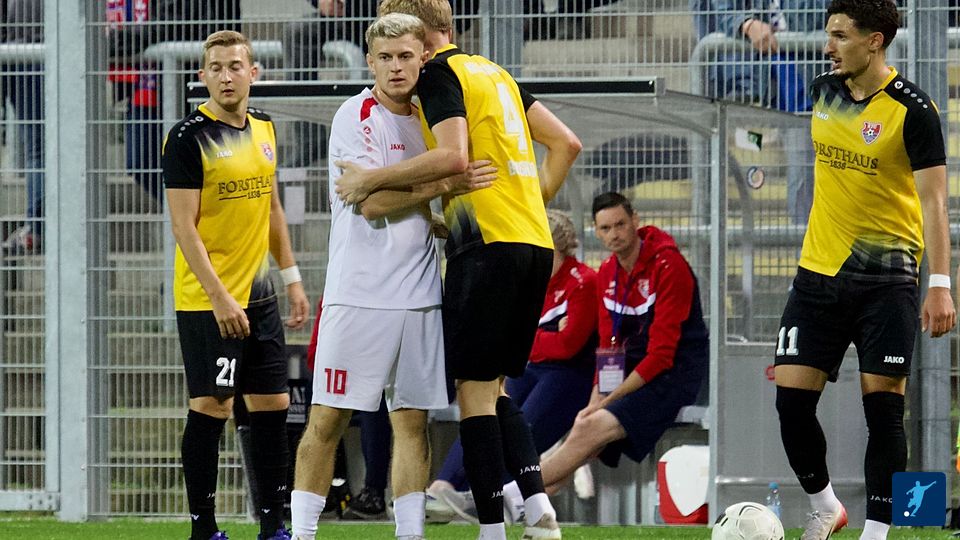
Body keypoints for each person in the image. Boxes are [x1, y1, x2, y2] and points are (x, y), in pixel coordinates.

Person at [337, 2, 582, 538]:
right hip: (533, 243)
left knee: (474, 394)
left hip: (486, 243)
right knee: (494, 389)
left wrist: (370, 179)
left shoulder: (439, 73)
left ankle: (492, 529)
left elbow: (453, 158)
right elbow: (567, 143)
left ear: (420, 36)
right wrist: (527, 202)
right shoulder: (494, 72)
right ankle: (539, 510)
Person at [288, 13, 494, 540]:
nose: (396, 67)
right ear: (369, 61)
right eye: (385, 57)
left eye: (405, 56)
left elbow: (402, 196)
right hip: (358, 295)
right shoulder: (354, 115)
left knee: (412, 423)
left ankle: (410, 535)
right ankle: (302, 534)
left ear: (423, 57)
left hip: (420, 296)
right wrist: (443, 183)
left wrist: (438, 207)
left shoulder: (434, 118)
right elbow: (372, 202)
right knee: (328, 419)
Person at [772, 2, 956, 539]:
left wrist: (939, 285)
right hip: (817, 274)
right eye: (828, 34)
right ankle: (826, 505)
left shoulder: (914, 110)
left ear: (874, 41)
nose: (827, 46)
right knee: (791, 404)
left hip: (887, 281)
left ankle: (876, 534)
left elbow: (935, 203)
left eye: (840, 36)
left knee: (884, 414)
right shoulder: (822, 92)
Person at [161, 30, 310, 540]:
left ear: (253, 73)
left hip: (260, 294)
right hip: (209, 300)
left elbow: (271, 208)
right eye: (217, 68)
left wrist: (291, 278)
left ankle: (273, 526)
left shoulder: (264, 127)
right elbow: (184, 227)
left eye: (235, 66)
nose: (226, 77)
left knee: (273, 405)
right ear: (203, 76)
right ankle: (204, 529)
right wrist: (219, 297)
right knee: (213, 406)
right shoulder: (187, 138)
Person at [427, 209, 598, 523]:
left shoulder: (583, 281)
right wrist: (544, 336)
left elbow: (567, 346)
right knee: (483, 410)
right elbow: (515, 335)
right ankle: (443, 487)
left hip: (568, 374)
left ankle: (481, 496)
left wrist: (529, 337)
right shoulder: (526, 275)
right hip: (528, 366)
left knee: (523, 425)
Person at [534, 192, 707, 495]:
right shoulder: (607, 272)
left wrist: (606, 401)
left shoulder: (669, 266)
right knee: (586, 426)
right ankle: (526, 505)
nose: (614, 234)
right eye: (605, 228)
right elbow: (607, 347)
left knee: (590, 427)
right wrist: (594, 402)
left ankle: (506, 492)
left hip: (673, 375)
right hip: (632, 372)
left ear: (634, 221)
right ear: (597, 231)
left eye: (620, 224)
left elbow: (662, 355)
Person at [303, 298, 393, 521]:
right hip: (342, 366)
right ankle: (324, 491)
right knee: (320, 407)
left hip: (374, 370)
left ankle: (374, 492)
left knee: (375, 405)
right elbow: (315, 355)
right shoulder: (335, 294)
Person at [1, 0, 43, 252]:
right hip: (22, 52)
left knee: (37, 150)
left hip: (25, 50)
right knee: (38, 149)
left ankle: (37, 228)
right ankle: (37, 228)